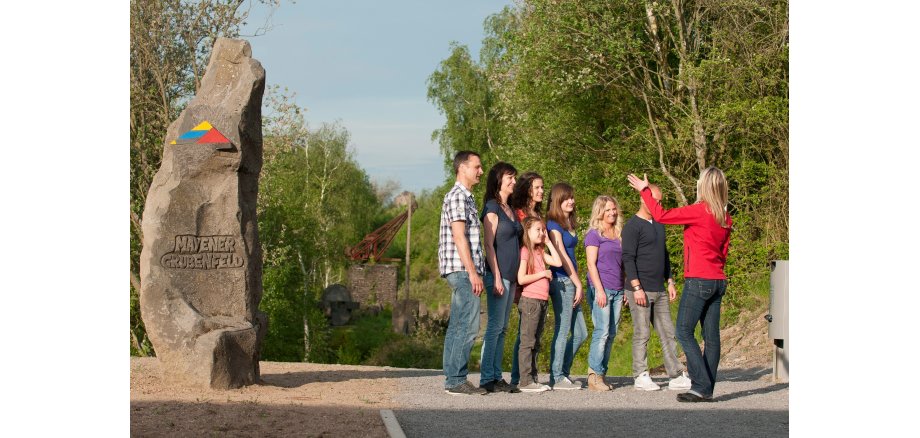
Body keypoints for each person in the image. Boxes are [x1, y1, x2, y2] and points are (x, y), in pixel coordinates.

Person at [627, 167, 732, 403]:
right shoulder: (724, 217)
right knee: (711, 337)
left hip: (699, 279)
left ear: (703, 186)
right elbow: (723, 252)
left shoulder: (699, 211)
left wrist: (645, 191)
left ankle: (701, 385)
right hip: (718, 280)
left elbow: (661, 215)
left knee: (684, 331)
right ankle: (707, 388)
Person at [621, 183, 691, 391]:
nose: (658, 204)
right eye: (656, 200)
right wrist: (636, 287)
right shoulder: (632, 226)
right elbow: (628, 258)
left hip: (659, 288)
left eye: (660, 201)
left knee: (668, 332)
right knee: (642, 333)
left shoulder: (659, 223)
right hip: (640, 289)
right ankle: (640, 374)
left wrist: (670, 280)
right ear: (643, 199)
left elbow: (664, 254)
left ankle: (676, 374)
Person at [438, 150, 487, 396]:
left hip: (462, 269)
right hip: (462, 269)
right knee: (467, 325)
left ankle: (453, 378)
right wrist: (473, 273)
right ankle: (456, 380)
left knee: (458, 324)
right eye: (477, 167)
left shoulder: (467, 198)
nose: (480, 171)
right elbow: (459, 237)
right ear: (462, 168)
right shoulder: (458, 197)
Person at [478, 162, 522, 393]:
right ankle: (486, 377)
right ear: (499, 180)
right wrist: (495, 276)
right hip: (498, 275)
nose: (514, 181)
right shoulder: (492, 207)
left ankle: (496, 376)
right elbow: (488, 243)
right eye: (510, 177)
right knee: (494, 326)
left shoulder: (510, 209)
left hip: (511, 277)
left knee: (503, 327)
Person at [545, 182, 587, 390]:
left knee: (581, 333)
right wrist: (578, 283)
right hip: (562, 281)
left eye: (572, 197)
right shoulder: (553, 226)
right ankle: (557, 376)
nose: (571, 201)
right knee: (562, 331)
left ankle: (563, 372)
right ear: (557, 201)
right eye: (566, 198)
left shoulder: (568, 223)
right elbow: (561, 256)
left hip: (571, 282)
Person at [516, 216, 563, 393]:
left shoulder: (540, 252)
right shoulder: (525, 252)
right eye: (538, 230)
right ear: (527, 231)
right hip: (530, 301)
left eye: (544, 230)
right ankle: (525, 381)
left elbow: (558, 262)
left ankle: (533, 378)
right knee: (527, 341)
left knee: (536, 342)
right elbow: (521, 278)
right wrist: (543, 274)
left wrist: (549, 242)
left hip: (542, 301)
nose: (542, 233)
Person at [584, 195, 626, 392]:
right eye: (608, 209)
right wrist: (599, 290)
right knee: (601, 331)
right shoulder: (594, 234)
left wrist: (625, 287)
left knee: (612, 333)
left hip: (618, 288)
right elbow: (591, 264)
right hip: (601, 288)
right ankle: (594, 375)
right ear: (600, 211)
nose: (612, 213)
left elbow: (623, 264)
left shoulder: (618, 234)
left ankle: (602, 373)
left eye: (614, 209)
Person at [507, 171, 545, 388]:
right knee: (526, 333)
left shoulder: (538, 215)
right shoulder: (519, 213)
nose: (541, 191)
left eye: (542, 187)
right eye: (537, 187)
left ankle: (523, 376)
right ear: (528, 189)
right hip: (524, 276)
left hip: (538, 278)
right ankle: (520, 378)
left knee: (531, 333)